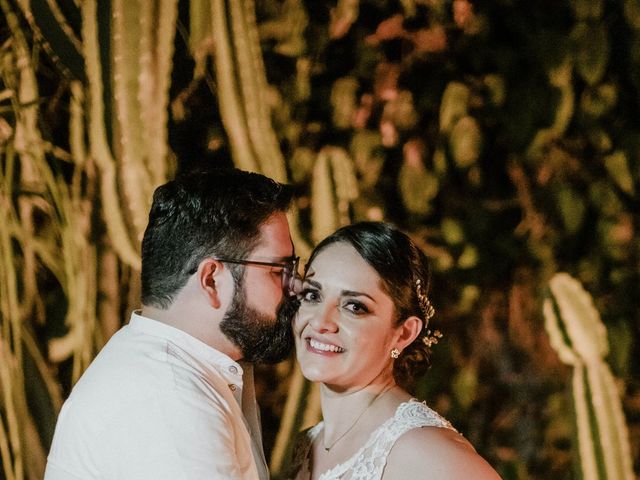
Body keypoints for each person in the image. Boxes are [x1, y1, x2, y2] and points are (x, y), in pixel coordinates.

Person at [45, 168, 300, 480]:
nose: (294, 286)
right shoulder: (170, 398)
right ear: (211, 280)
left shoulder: (168, 371)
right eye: (278, 270)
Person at [288, 222, 501, 480]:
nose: (321, 321)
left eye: (354, 307)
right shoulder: (302, 449)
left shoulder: (425, 453)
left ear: (404, 333)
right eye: (312, 295)